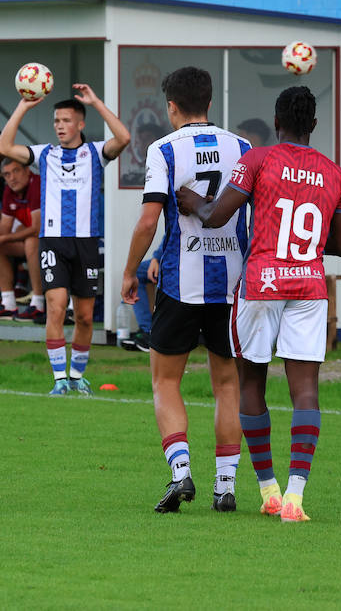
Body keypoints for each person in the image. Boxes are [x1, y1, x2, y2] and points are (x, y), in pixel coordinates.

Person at [175, 86, 341, 524]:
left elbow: (216, 215)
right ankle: (296, 496)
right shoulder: (335, 174)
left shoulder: (258, 160)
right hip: (309, 287)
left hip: (261, 284)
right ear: (313, 124)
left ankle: (268, 490)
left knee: (251, 382)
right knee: (305, 390)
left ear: (276, 122)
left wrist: (192, 199)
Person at [120, 67, 250, 514]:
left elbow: (147, 220)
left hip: (179, 282)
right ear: (210, 103)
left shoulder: (163, 149)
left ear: (170, 106)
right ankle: (226, 486)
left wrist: (129, 270)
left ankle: (180, 474)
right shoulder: (244, 148)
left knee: (165, 380)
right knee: (228, 384)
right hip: (233, 284)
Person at [0, 84, 131, 396]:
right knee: (56, 307)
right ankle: (58, 379)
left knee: (84, 316)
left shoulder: (96, 153)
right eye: (56, 120)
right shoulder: (45, 154)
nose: (59, 125)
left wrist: (96, 102)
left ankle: (76, 376)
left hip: (86, 243)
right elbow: (4, 146)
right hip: (53, 241)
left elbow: (123, 138)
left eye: (66, 120)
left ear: (80, 124)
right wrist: (24, 106)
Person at [0, 157, 45, 320]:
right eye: (7, 174)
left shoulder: (37, 184)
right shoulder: (9, 191)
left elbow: (37, 228)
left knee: (32, 241)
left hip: (60, 241)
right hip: (36, 240)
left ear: (27, 170)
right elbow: (5, 226)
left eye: (16, 171)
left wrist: (4, 238)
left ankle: (39, 304)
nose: (12, 178)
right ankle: (8, 304)